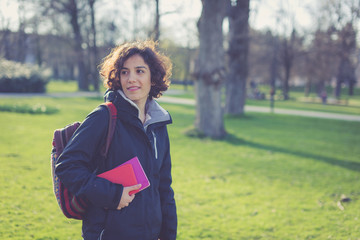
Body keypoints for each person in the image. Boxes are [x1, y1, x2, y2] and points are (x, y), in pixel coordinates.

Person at [55, 40, 177, 240]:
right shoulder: (103, 116)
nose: (131, 79)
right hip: (108, 233)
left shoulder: (159, 125)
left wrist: (168, 235)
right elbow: (67, 166)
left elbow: (164, 187)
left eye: (139, 71)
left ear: (153, 78)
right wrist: (112, 194)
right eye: (124, 72)